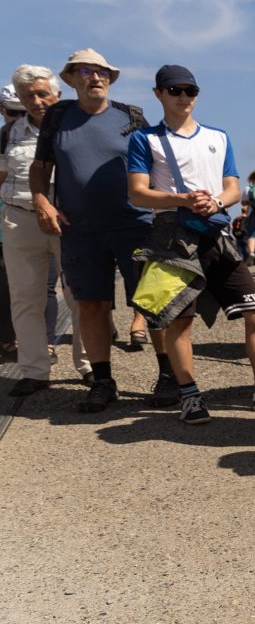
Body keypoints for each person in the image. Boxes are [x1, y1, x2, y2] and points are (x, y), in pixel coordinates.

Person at [125, 65, 255, 423]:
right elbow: (136, 192)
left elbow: (231, 188)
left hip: (217, 235)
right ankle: (190, 395)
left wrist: (217, 202)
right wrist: (181, 200)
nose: (183, 97)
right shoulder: (144, 139)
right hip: (172, 237)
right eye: (174, 90)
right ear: (158, 94)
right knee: (179, 320)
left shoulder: (219, 137)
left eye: (190, 91)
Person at [28, 48, 175, 413]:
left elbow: (158, 165)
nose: (96, 78)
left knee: (152, 303)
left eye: (102, 72)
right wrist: (41, 201)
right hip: (81, 230)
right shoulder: (58, 116)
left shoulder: (131, 116)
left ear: (110, 79)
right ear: (72, 79)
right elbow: (41, 164)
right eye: (86, 72)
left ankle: (170, 376)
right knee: (92, 304)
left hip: (135, 226)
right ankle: (103, 380)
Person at [2, 68, 86, 397]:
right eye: (28, 96)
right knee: (26, 298)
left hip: (70, 221)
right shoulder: (8, 133)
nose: (36, 101)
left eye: (42, 94)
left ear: (57, 96)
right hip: (21, 220)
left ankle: (89, 366)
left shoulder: (76, 130)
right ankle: (35, 371)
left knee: (81, 295)